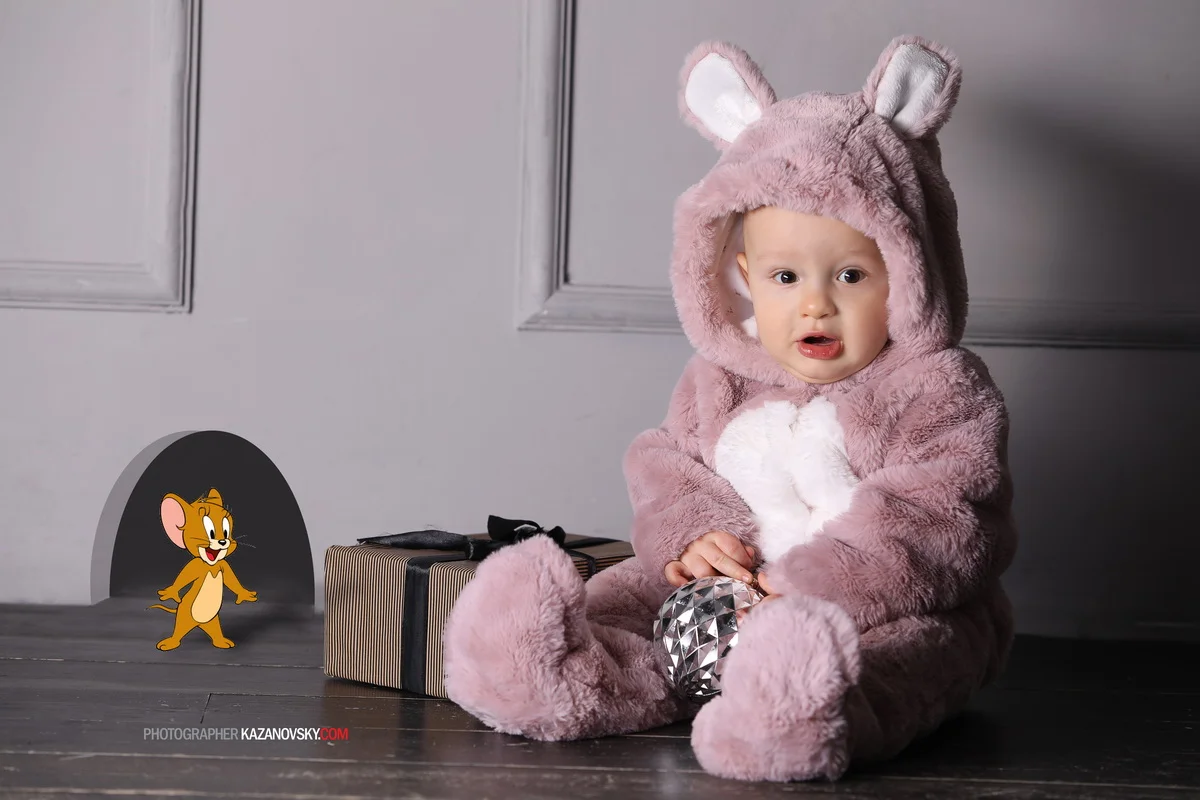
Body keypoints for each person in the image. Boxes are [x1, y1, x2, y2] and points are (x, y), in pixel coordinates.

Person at [442, 34, 1017, 783]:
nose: (814, 302)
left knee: (914, 651)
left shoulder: (940, 388)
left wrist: (819, 581)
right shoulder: (720, 376)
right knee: (628, 596)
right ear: (742, 274)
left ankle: (798, 704)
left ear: (910, 270)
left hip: (872, 605)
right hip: (724, 596)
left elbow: (948, 508)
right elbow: (666, 462)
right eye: (784, 276)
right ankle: (551, 669)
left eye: (849, 274)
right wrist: (697, 540)